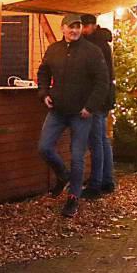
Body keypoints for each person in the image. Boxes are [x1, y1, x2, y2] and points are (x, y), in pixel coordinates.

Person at [37, 14, 109, 217]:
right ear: (63, 29)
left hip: (81, 113)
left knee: (77, 156)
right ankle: (63, 175)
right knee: (44, 147)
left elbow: (102, 82)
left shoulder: (92, 52)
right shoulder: (54, 50)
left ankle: (73, 197)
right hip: (58, 110)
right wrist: (44, 94)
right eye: (71, 27)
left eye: (77, 27)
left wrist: (90, 107)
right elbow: (43, 72)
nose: (74, 30)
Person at [81, 14, 116, 199]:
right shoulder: (103, 42)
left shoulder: (95, 45)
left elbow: (96, 75)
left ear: (91, 26)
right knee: (102, 140)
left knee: (96, 141)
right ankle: (107, 180)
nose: (82, 31)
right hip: (105, 97)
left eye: (84, 27)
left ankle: (95, 184)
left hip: (97, 98)